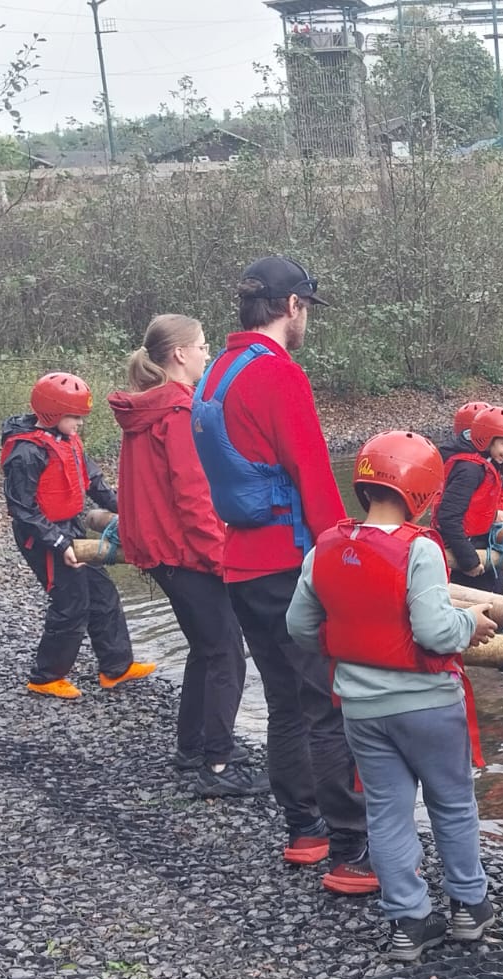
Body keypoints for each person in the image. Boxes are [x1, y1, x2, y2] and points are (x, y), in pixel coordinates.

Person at [287, 430, 500, 959]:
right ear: (425, 492)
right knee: (452, 806)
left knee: (387, 812)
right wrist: (469, 621)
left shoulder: (325, 546)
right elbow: (434, 633)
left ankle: (409, 919)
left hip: (361, 709)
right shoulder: (421, 549)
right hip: (428, 706)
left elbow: (298, 625)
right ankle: (469, 908)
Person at [191, 255, 367, 886]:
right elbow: (314, 477)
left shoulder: (214, 373)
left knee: (284, 701)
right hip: (291, 564)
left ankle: (304, 831)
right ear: (292, 307)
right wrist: (348, 557)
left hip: (239, 565)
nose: (306, 323)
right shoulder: (279, 376)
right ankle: (351, 851)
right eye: (306, 311)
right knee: (327, 702)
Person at [108, 314, 260, 799]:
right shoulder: (177, 413)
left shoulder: (149, 410)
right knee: (226, 654)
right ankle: (216, 763)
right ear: (178, 354)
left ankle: (193, 746)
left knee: (205, 646)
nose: (207, 353)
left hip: (161, 553)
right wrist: (223, 560)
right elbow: (193, 497)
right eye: (201, 346)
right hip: (185, 553)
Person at [1, 372, 156, 701]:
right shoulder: (26, 453)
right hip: (42, 536)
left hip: (71, 526)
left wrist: (131, 512)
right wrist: (59, 545)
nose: (80, 424)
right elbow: (23, 510)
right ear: (53, 414)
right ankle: (46, 677)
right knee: (71, 604)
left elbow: (96, 484)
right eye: (75, 418)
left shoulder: (67, 440)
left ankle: (116, 667)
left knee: (102, 595)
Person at [433, 405, 503, 595]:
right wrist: (469, 561)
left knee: (495, 595)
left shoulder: (492, 462)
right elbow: (447, 517)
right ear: (487, 440)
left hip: (484, 542)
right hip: (466, 550)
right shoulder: (469, 470)